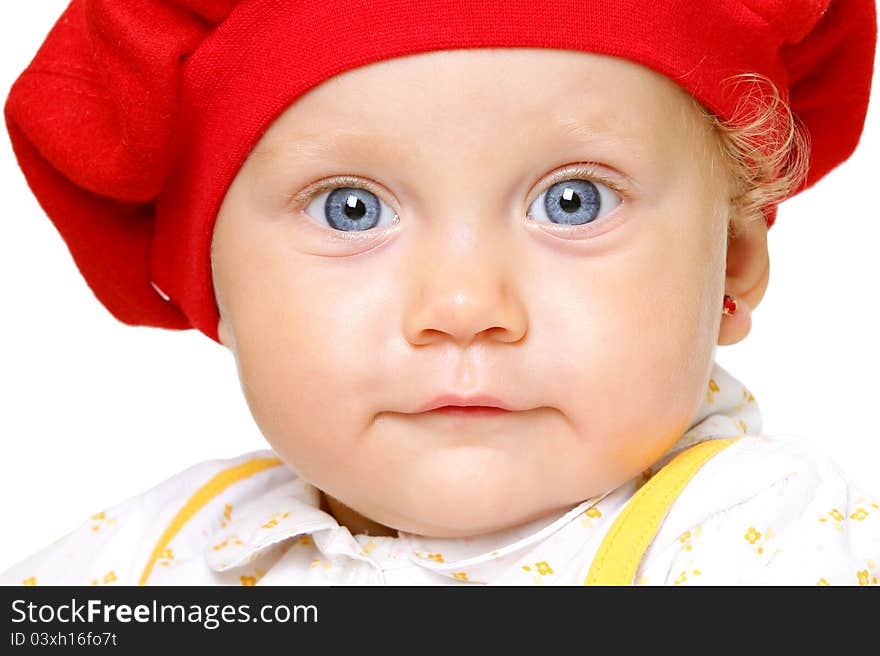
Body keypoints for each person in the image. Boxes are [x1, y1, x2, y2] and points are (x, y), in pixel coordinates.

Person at [1, 0, 877, 586]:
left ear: (730, 259)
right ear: (215, 282)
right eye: (351, 209)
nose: (464, 306)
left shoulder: (763, 543)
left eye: (573, 202)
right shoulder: (160, 557)